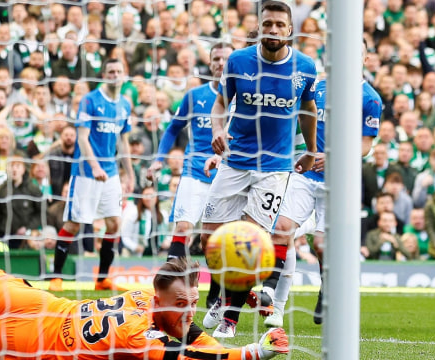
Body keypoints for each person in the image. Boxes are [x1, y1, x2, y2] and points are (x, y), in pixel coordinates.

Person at [0, 222, 289, 360]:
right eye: (184, 304)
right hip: (34, 343)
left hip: (41, 307)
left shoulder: (143, 303)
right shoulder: (139, 340)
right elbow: (195, 355)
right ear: (158, 301)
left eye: (193, 303)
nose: (190, 312)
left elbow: (191, 334)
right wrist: (255, 352)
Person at [201, 1, 318, 338]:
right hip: (235, 161)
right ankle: (225, 297)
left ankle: (229, 318)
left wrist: (310, 150)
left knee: (249, 241)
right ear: (260, 26)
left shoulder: (305, 67)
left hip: (274, 168)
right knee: (209, 239)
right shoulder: (238, 61)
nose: (274, 30)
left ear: (290, 30)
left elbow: (308, 109)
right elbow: (221, 103)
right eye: (268, 24)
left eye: (280, 25)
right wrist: (217, 131)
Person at [262, 40, 382, 328]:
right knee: (281, 228)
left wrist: (334, 156)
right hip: (306, 174)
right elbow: (300, 121)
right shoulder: (319, 87)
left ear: (365, 58)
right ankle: (268, 293)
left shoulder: (370, 98)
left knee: (323, 245)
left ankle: (327, 288)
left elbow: (365, 146)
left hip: (339, 182)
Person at [48, 59, 135, 292]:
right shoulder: (90, 100)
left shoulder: (124, 105)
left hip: (111, 173)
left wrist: (130, 173)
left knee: (114, 223)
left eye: (119, 71)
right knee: (74, 224)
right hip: (86, 172)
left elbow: (124, 142)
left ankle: (102, 278)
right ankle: (56, 277)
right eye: (111, 71)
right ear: (104, 75)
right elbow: (82, 137)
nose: (115, 75)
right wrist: (94, 166)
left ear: (124, 76)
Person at [145, 42, 234, 263]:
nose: (220, 63)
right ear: (209, 62)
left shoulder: (244, 98)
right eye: (216, 59)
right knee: (183, 226)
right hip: (195, 171)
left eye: (225, 59)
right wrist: (159, 160)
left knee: (218, 238)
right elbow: (173, 128)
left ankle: (219, 293)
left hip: (229, 175)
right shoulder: (195, 96)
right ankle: (170, 284)